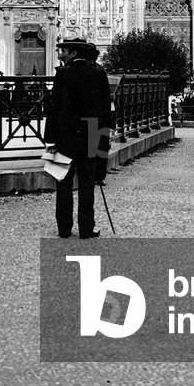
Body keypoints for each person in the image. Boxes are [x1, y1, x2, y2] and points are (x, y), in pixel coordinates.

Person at [43, 37, 113, 239]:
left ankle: (64, 228)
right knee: (87, 182)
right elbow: (105, 108)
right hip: (92, 132)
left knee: (63, 181)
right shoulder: (99, 72)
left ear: (74, 53)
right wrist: (104, 140)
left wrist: (50, 140)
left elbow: (54, 108)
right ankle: (86, 228)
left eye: (64, 50)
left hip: (67, 133)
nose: (61, 54)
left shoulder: (63, 73)